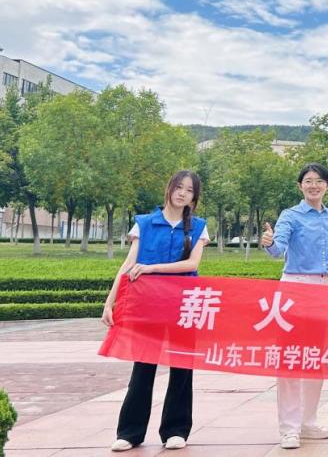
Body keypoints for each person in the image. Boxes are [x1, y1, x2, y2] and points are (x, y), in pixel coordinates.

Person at [102, 170, 209, 452]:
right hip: (148, 306)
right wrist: (110, 302)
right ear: (169, 189)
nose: (182, 193)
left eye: (189, 190)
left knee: (182, 368)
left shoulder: (198, 227)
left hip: (184, 306)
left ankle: (176, 430)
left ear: (194, 197)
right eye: (179, 187)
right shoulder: (145, 224)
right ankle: (130, 432)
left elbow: (191, 264)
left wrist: (151, 268)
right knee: (143, 367)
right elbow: (128, 265)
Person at [261, 163, 328, 450]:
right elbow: (278, 248)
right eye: (308, 181)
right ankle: (289, 428)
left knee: (316, 358)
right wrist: (269, 243)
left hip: (324, 288)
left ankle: (308, 421)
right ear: (300, 186)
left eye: (319, 181)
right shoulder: (290, 215)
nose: (313, 185)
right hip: (295, 286)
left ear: (327, 185)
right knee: (291, 357)